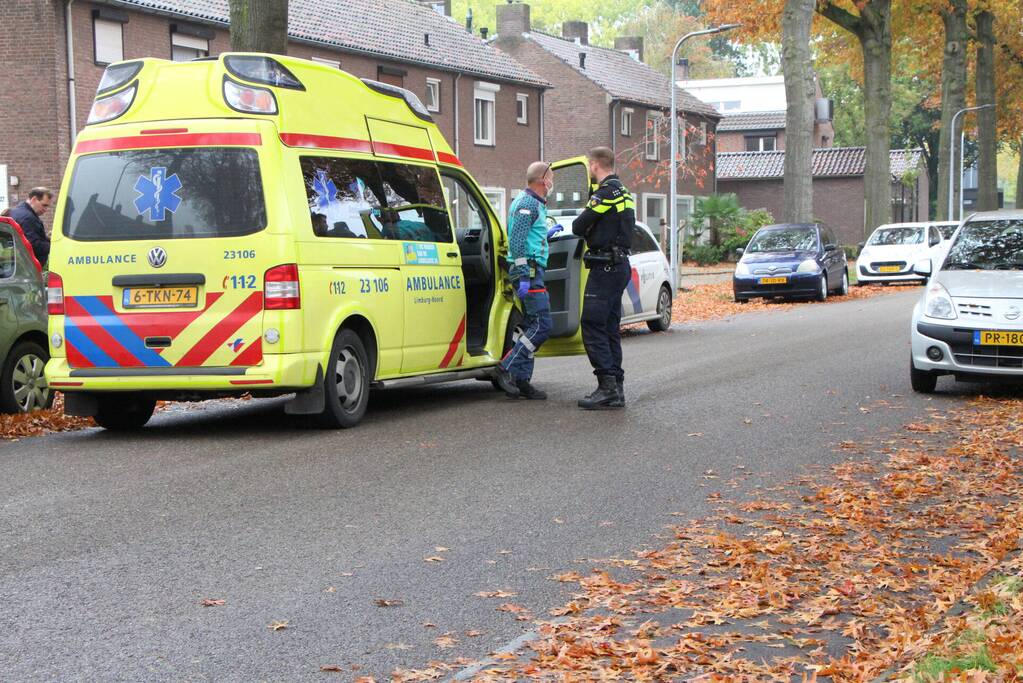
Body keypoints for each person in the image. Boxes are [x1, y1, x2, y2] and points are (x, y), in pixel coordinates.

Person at [571, 147, 635, 410]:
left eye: (589, 165)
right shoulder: (624, 192)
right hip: (620, 266)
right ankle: (617, 388)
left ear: (594, 164)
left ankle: (606, 387)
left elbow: (578, 226)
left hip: (605, 267)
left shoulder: (604, 193)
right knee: (609, 327)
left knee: (592, 323)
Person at [493, 162, 561, 400]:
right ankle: (506, 367)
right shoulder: (528, 204)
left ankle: (522, 381)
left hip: (531, 270)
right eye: (551, 178)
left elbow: (527, 237)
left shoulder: (533, 203)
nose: (552, 183)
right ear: (543, 180)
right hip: (529, 272)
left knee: (532, 326)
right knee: (542, 326)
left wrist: (545, 236)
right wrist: (523, 274)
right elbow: (517, 241)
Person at [9, 188, 53, 266]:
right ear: (34, 199)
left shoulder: (18, 211)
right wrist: (55, 246)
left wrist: (47, 238)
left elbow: (29, 237)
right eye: (44, 205)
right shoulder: (28, 217)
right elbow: (34, 245)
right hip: (28, 266)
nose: (45, 209)